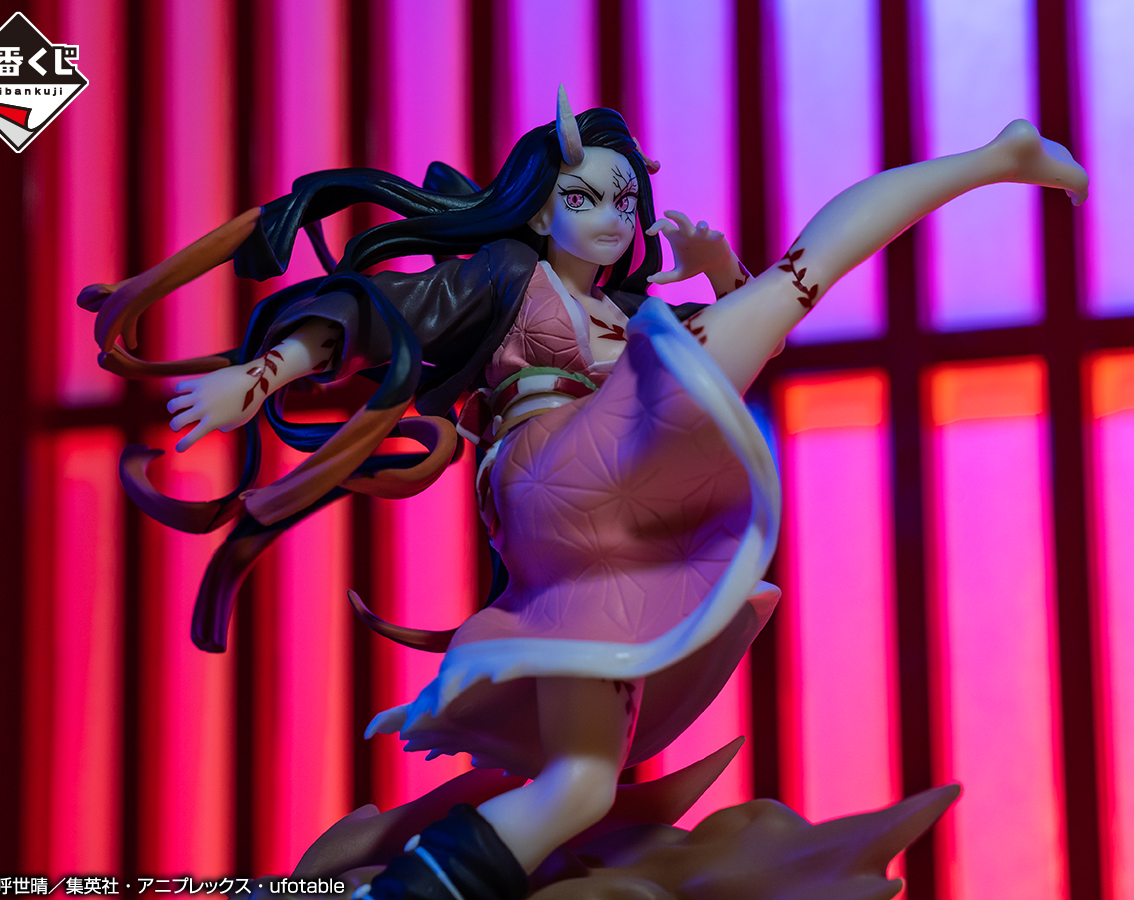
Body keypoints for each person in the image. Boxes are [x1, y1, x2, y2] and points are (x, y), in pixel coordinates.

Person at [80, 88, 1088, 899]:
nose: (612, 218)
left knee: (580, 788)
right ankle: (994, 159)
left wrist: (716, 274)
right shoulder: (506, 277)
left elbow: (717, 363)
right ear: (538, 204)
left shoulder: (631, 313)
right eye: (586, 197)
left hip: (603, 541)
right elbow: (384, 310)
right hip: (556, 479)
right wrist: (259, 375)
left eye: (625, 202)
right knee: (795, 281)